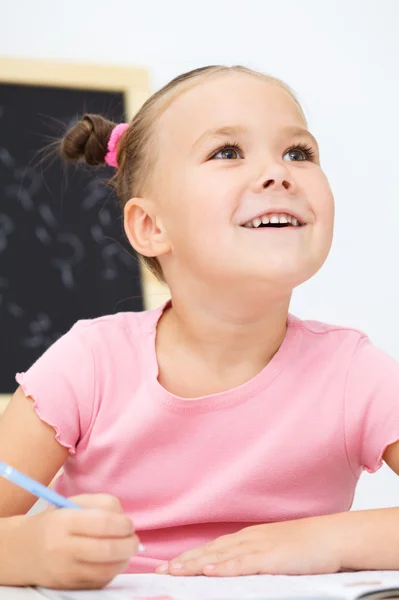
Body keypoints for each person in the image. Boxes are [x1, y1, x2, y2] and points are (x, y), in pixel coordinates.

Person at [1, 64, 399, 590]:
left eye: (298, 153)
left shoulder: (353, 372)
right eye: (227, 152)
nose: (279, 173)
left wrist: (318, 540)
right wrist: (28, 551)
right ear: (151, 226)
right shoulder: (89, 362)